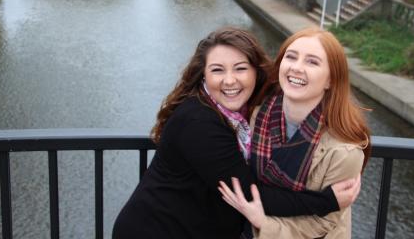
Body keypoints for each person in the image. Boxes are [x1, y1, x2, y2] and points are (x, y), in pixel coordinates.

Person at [112, 27, 361, 239]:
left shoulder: (254, 111)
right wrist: (326, 201)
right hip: (158, 230)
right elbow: (249, 191)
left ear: (256, 71)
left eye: (240, 68)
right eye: (217, 70)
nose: (230, 81)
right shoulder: (199, 122)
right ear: (204, 75)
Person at [219, 27, 371, 239]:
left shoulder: (344, 151)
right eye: (291, 57)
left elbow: (324, 222)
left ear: (330, 80)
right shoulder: (259, 113)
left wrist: (263, 223)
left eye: (312, 62)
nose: (297, 68)